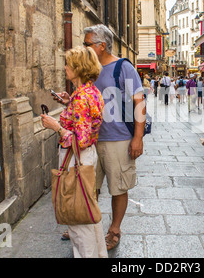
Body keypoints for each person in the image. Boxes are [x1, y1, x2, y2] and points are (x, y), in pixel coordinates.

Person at [83, 24, 146, 251]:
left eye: (87, 44)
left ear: (101, 46)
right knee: (90, 186)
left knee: (118, 187)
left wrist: (137, 138)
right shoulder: (89, 69)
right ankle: (87, 226)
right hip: (91, 139)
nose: (84, 47)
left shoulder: (123, 68)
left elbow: (139, 103)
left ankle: (114, 230)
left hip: (118, 139)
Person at [41, 46, 107, 258]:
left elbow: (81, 140)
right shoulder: (90, 91)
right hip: (87, 158)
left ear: (79, 68)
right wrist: (68, 103)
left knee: (78, 218)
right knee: (89, 211)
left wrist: (56, 127)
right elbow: (87, 117)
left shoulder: (81, 98)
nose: (65, 67)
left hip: (76, 159)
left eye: (69, 63)